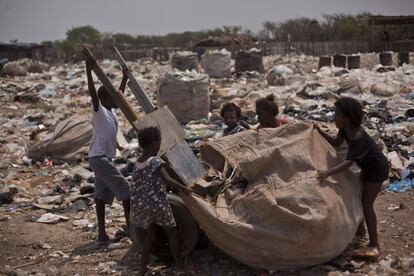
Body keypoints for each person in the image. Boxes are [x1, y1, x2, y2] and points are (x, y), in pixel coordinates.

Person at [314, 97, 389, 258]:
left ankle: (374, 244)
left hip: (376, 169)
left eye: (337, 114)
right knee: (358, 195)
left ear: (347, 118)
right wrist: (320, 132)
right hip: (367, 166)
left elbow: (349, 162)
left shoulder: (357, 136)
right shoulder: (344, 130)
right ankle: (360, 230)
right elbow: (336, 143)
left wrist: (328, 173)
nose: (334, 117)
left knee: (366, 204)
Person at [131, 127, 192, 276]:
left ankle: (142, 268)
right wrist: (186, 188)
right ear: (153, 144)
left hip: (142, 206)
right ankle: (179, 266)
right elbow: (168, 180)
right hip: (158, 204)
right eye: (159, 142)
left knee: (150, 236)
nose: (159, 146)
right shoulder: (155, 161)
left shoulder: (138, 163)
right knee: (172, 234)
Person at [86, 58, 131, 243]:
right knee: (127, 192)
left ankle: (102, 235)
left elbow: (118, 95)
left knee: (101, 197)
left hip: (103, 159)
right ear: (103, 100)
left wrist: (125, 78)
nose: (117, 101)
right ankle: (131, 230)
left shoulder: (111, 111)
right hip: (100, 159)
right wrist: (88, 71)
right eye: (112, 98)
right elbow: (93, 94)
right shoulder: (100, 110)